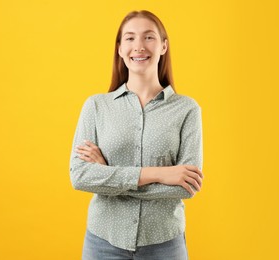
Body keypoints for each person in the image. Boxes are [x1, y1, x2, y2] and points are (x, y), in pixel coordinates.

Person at [69, 10, 203, 260]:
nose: (139, 46)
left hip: (164, 245)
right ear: (120, 49)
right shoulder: (97, 106)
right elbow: (80, 176)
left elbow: (186, 187)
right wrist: (161, 174)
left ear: (163, 46)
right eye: (130, 38)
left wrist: (108, 176)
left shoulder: (187, 109)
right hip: (103, 242)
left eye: (149, 37)